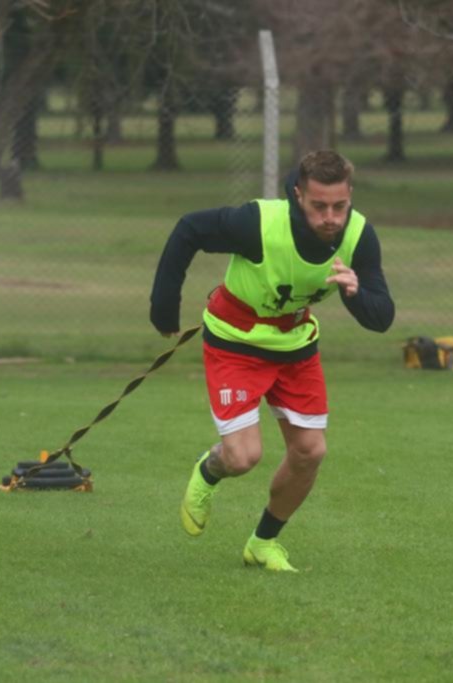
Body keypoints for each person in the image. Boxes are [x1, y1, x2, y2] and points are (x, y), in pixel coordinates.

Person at [150, 150, 394, 572]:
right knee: (242, 458)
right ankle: (209, 471)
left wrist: (356, 295)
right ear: (299, 195)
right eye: (319, 206)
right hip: (235, 341)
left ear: (350, 195)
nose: (330, 217)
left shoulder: (358, 235)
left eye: (339, 205)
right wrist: (164, 309)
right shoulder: (258, 224)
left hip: (295, 345)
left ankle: (262, 543)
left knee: (310, 451)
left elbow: (382, 317)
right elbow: (189, 229)